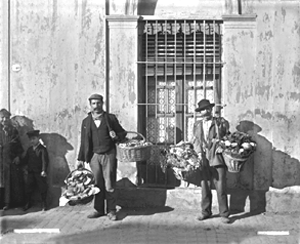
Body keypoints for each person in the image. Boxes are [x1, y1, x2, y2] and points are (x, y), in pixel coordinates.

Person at [77, 94, 127, 220]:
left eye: (98, 103)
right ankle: (98, 210)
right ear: (90, 105)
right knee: (97, 184)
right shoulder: (86, 122)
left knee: (109, 183)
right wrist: (81, 159)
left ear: (102, 104)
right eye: (93, 103)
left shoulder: (110, 119)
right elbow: (84, 142)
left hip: (108, 155)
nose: (96, 106)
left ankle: (111, 210)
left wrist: (115, 135)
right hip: (94, 156)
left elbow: (123, 133)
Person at [191, 99, 231, 224]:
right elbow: (195, 140)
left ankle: (224, 214)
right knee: (205, 187)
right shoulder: (197, 124)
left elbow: (228, 138)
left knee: (221, 187)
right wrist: (198, 153)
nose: (206, 111)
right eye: (203, 109)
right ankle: (205, 212)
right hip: (204, 159)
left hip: (217, 159)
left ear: (211, 110)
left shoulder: (220, 122)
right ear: (200, 112)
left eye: (208, 108)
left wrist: (222, 146)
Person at [0, 108, 24, 210]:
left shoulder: (13, 131)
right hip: (0, 160)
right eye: (2, 117)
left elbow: (19, 146)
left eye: (6, 117)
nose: (4, 120)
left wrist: (18, 156)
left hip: (10, 160)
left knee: (10, 182)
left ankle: (9, 203)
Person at [22, 130, 49, 211]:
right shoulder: (30, 150)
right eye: (30, 139)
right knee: (28, 188)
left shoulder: (42, 149)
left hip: (39, 173)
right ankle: (28, 203)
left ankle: (44, 204)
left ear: (38, 138)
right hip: (31, 172)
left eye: (34, 139)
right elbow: (25, 159)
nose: (32, 141)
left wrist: (44, 170)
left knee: (42, 188)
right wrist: (19, 160)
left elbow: (45, 161)